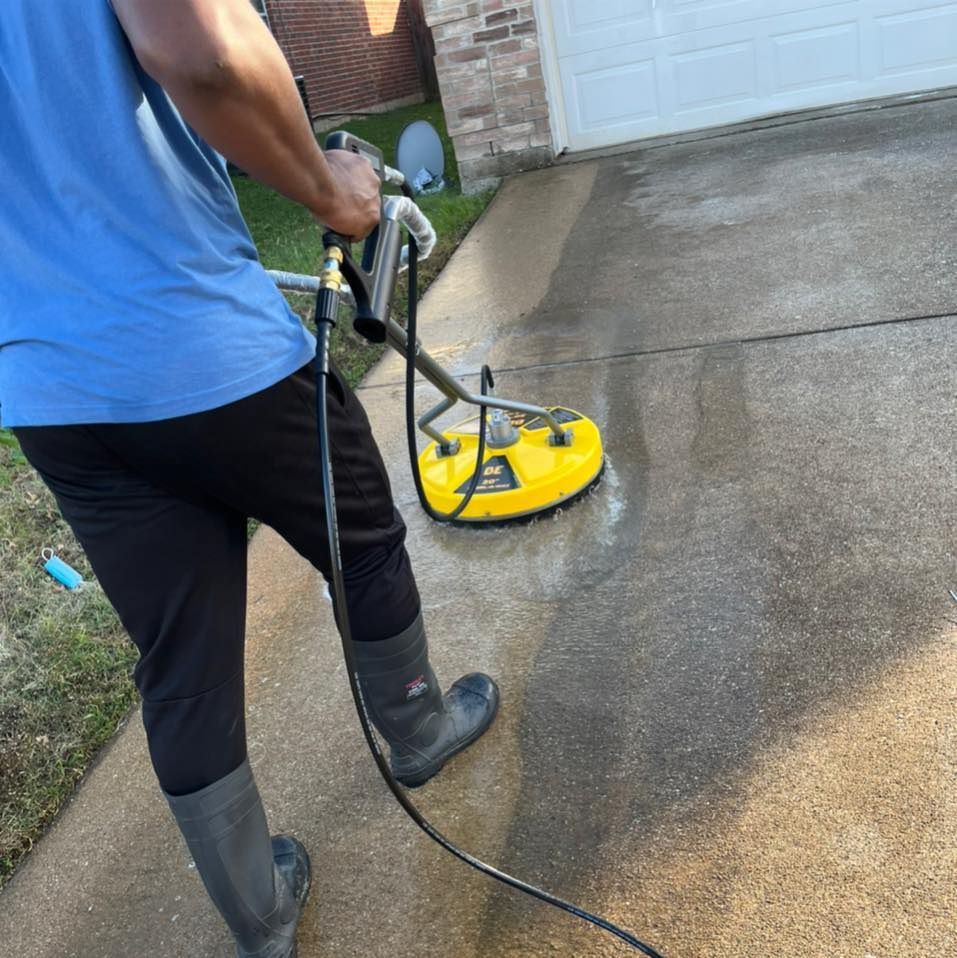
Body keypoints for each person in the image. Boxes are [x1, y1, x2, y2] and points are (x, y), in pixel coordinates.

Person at [0, 2, 499, 956]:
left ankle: (259, 916)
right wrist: (332, 193)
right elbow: (207, 54)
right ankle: (422, 732)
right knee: (362, 543)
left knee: (179, 659)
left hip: (52, 390)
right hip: (203, 347)